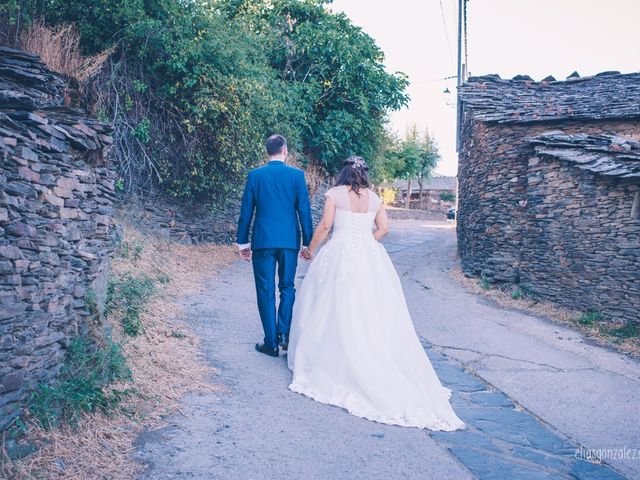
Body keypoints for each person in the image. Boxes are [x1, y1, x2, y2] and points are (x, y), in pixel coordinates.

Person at [287, 156, 466, 431]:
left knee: (331, 305)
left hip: (340, 253)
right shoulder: (375, 198)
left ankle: (333, 359)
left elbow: (324, 226)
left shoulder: (335, 194)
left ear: (344, 172)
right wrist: (365, 244)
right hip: (369, 257)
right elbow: (384, 228)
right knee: (370, 309)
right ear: (364, 175)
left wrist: (310, 249)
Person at [236, 134, 313, 357]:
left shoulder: (255, 176)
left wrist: (243, 242)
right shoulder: (297, 176)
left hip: (263, 241)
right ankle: (284, 334)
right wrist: (307, 243)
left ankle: (270, 343)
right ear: (285, 151)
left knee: (265, 289)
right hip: (289, 241)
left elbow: (246, 211)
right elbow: (304, 211)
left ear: (267, 151)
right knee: (287, 287)